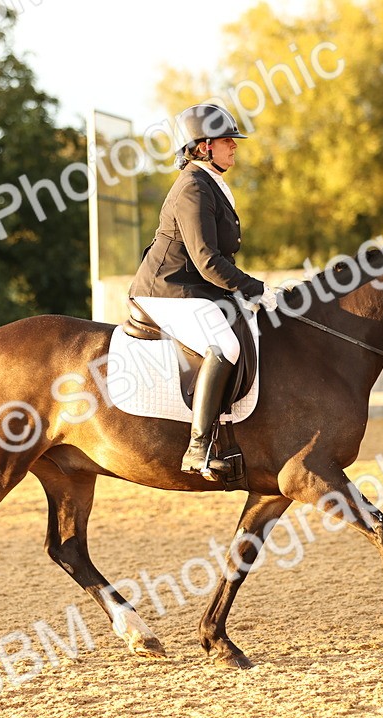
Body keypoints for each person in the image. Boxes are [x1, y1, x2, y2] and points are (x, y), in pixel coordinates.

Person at [128, 103, 279, 479]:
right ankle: (198, 448)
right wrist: (255, 289)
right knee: (224, 346)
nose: (235, 146)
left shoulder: (211, 183)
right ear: (204, 145)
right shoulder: (193, 187)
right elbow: (207, 260)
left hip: (192, 287)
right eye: (228, 140)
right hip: (167, 288)